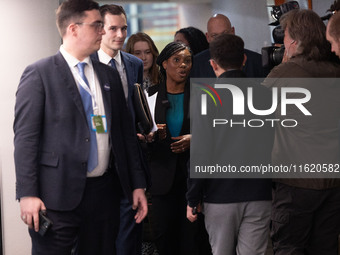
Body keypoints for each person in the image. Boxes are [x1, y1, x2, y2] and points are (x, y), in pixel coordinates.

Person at [13, 0, 147, 254]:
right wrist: (27, 194)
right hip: (56, 197)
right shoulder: (40, 74)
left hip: (102, 194)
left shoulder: (107, 75)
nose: (102, 32)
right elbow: (26, 139)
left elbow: (125, 135)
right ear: (73, 29)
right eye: (97, 25)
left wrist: (136, 184)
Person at [187, 34, 274, 255]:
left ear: (212, 64)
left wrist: (192, 196)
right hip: (260, 193)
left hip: (220, 196)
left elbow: (201, 152)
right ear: (244, 59)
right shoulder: (266, 95)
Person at [262, 9, 340, 254]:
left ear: (294, 40)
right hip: (333, 180)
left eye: (285, 36)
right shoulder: (335, 69)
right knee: (325, 247)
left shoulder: (285, 73)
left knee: (289, 247)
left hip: (296, 183)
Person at [90, 4, 149, 255]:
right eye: (113, 28)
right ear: (100, 30)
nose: (121, 34)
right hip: (96, 164)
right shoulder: (86, 64)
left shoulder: (134, 64)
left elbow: (134, 107)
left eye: (124, 28)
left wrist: (145, 128)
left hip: (128, 159)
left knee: (128, 239)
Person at [147, 42, 210, 255]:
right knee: (164, 238)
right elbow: (139, 136)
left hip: (193, 180)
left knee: (193, 240)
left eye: (187, 60)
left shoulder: (203, 94)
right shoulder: (150, 96)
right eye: (176, 60)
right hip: (161, 180)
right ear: (164, 64)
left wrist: (196, 138)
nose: (183, 65)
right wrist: (152, 136)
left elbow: (219, 132)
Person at [190, 14, 265, 78]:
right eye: (215, 35)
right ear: (208, 37)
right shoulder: (195, 65)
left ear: (232, 31)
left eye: (225, 33)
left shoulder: (258, 61)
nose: (221, 39)